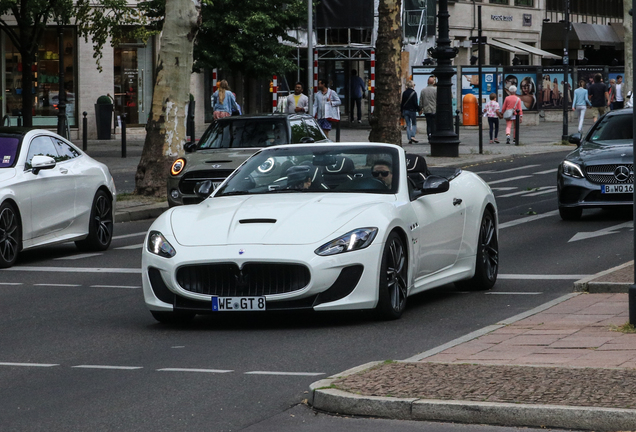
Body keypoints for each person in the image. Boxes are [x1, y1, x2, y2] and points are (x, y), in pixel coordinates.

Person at [418, 76, 437, 141]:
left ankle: (429, 134)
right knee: (434, 123)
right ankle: (433, 135)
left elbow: (421, 101)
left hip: (426, 110)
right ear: (433, 82)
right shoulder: (435, 90)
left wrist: (420, 108)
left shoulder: (423, 90)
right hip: (434, 109)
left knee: (428, 123)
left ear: (427, 82)